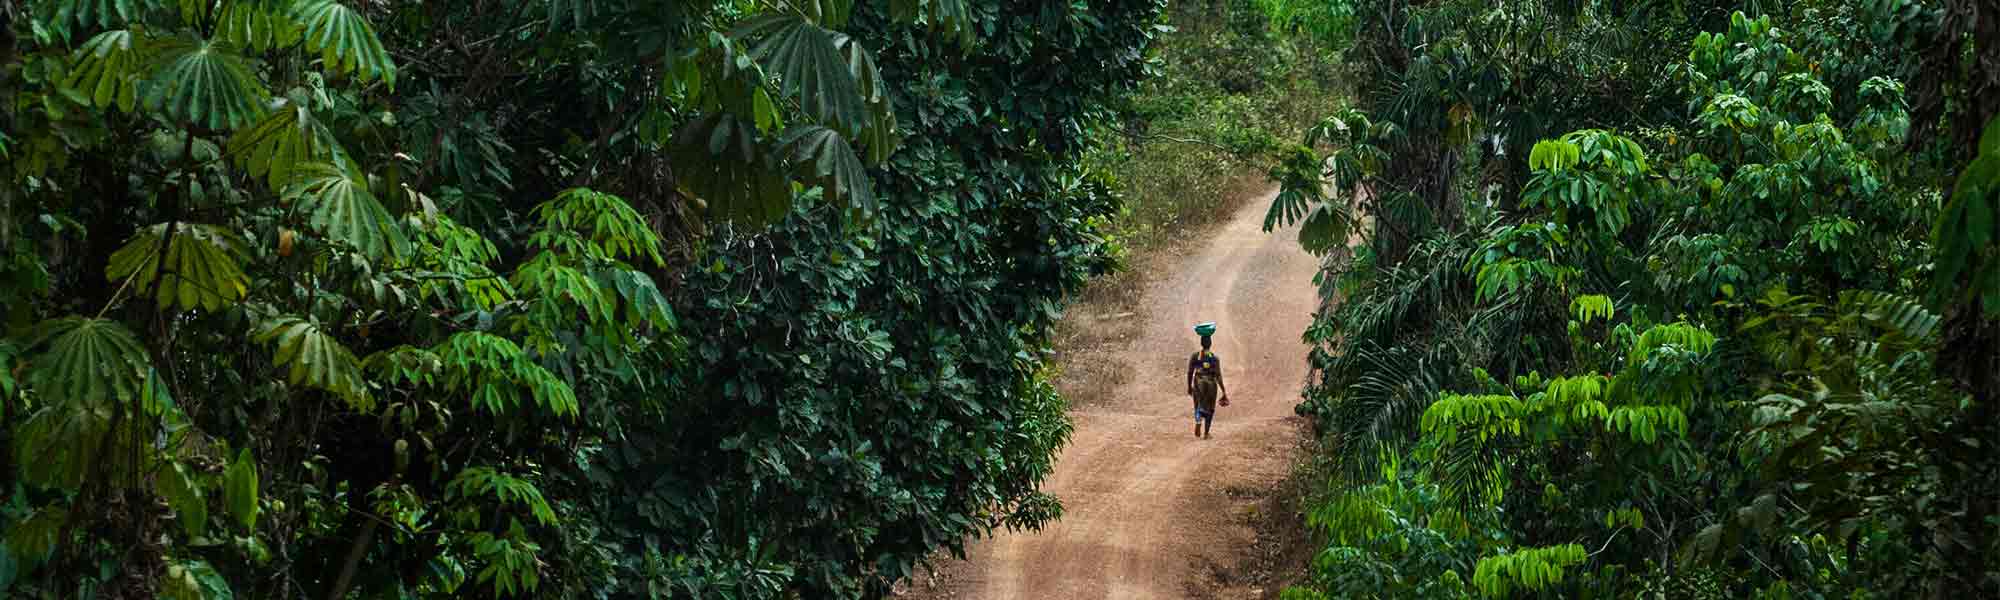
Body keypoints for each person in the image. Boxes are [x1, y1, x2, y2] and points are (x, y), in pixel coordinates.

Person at [1186, 326, 1228, 439]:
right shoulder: (1214, 358)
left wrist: (1189, 386)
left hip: (1198, 381)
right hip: (1211, 384)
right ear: (1210, 344)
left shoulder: (1195, 356)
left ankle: (1198, 420)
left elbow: (1190, 372)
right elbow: (1218, 375)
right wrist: (1224, 391)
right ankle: (1206, 433)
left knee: (1198, 405)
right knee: (1210, 408)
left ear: (1201, 343)